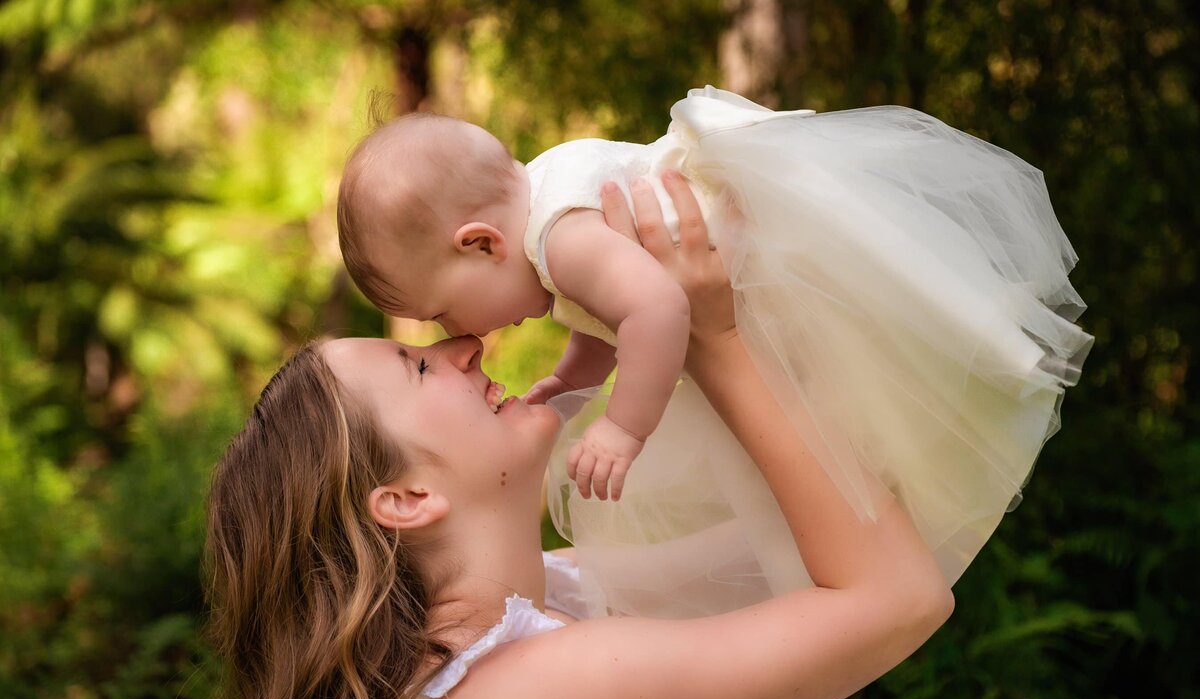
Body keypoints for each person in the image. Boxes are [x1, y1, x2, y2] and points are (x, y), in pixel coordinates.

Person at [206, 178, 955, 699]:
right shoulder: (523, 696)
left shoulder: (547, 608)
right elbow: (896, 596)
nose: (466, 346)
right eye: (420, 367)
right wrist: (711, 337)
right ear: (405, 499)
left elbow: (855, 539)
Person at [335, 87, 1093, 619]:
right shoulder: (548, 217)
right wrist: (573, 376)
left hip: (776, 275)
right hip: (765, 282)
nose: (456, 339)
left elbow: (658, 307)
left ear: (480, 243)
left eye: (439, 314)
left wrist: (624, 426)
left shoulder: (559, 240)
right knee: (845, 431)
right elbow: (611, 312)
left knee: (859, 414)